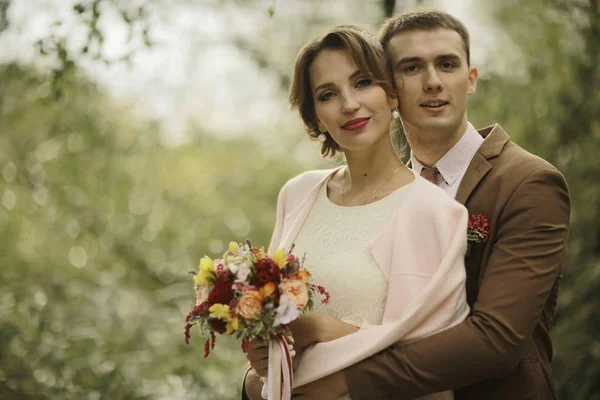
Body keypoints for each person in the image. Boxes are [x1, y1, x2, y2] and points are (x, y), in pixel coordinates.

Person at [329, 9, 569, 400]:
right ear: (388, 91)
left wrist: (343, 383)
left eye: (447, 64)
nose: (433, 82)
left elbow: (497, 339)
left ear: (470, 79)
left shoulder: (529, 183)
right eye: (411, 68)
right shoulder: (376, 195)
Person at [242, 25, 472, 400]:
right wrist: (256, 374)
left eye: (363, 83)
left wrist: (317, 328)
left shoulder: (436, 213)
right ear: (315, 117)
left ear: (392, 94)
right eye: (328, 94)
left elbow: (426, 365)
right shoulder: (297, 195)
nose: (349, 104)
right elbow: (266, 341)